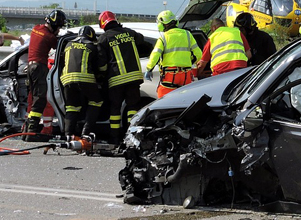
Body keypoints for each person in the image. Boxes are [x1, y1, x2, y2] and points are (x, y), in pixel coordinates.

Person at [97, 11, 151, 144]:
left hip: (116, 80)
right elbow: (142, 40)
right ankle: (131, 137)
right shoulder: (129, 33)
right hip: (134, 78)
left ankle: (114, 138)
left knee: (115, 109)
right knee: (132, 107)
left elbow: (102, 63)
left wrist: (101, 76)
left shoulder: (104, 38)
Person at [24, 9, 66, 136]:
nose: (58, 30)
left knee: (33, 98)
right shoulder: (49, 37)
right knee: (40, 100)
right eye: (58, 27)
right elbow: (57, 46)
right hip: (39, 67)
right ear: (54, 25)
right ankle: (32, 131)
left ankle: (27, 129)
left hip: (30, 68)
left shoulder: (36, 29)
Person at [145, 10, 203, 98]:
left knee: (164, 100)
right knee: (184, 99)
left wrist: (149, 69)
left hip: (170, 76)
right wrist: (189, 62)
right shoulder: (187, 35)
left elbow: (155, 55)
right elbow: (199, 54)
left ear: (162, 23)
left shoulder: (163, 38)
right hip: (185, 75)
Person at [61, 26, 103, 141]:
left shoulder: (68, 44)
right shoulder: (91, 46)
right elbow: (99, 66)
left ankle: (68, 134)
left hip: (67, 79)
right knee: (96, 101)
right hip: (85, 78)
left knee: (72, 107)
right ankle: (86, 132)